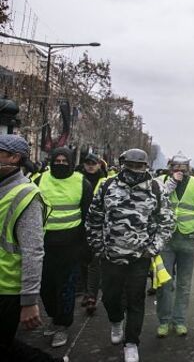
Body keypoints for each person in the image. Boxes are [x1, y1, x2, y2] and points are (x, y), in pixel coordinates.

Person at [86, 148, 174, 362]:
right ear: (124, 164)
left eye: (139, 165)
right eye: (131, 165)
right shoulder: (108, 185)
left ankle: (132, 342)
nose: (135, 169)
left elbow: (168, 223)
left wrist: (152, 249)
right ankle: (116, 321)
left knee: (136, 301)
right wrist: (98, 247)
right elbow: (94, 218)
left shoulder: (155, 189)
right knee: (109, 297)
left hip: (139, 258)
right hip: (110, 256)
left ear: (146, 166)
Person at [0, 135, 67, 362]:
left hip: (7, 289)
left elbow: (33, 251)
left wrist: (29, 301)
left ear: (14, 158)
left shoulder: (26, 195)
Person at [34, 147, 93, 348]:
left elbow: (88, 216)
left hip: (71, 246)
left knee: (66, 288)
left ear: (69, 162)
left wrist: (86, 245)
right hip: (44, 244)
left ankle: (62, 326)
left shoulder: (81, 182)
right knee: (45, 287)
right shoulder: (39, 180)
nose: (60, 163)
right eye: (56, 160)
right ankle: (52, 316)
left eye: (63, 160)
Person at [155, 153, 194, 337]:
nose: (179, 170)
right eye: (176, 166)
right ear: (170, 167)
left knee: (184, 284)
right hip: (165, 240)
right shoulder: (160, 181)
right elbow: (153, 200)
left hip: (188, 239)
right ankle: (164, 321)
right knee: (164, 283)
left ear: (188, 167)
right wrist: (171, 182)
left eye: (183, 166)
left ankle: (179, 321)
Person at [78, 153, 107, 315]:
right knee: (83, 261)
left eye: (93, 163)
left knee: (95, 262)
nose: (90, 166)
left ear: (99, 165)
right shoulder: (76, 179)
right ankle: (85, 290)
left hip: (98, 227)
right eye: (87, 163)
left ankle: (91, 296)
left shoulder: (105, 181)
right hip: (80, 226)